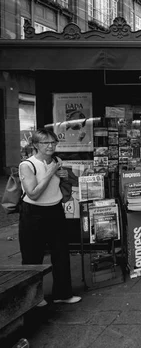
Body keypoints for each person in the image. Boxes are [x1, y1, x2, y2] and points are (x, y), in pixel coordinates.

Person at [19, 128, 81, 306]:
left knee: (61, 253)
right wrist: (50, 172)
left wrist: (61, 176)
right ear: (36, 145)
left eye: (53, 142)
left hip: (55, 210)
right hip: (33, 212)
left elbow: (58, 185)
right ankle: (34, 297)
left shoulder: (57, 161)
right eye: (46, 143)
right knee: (32, 256)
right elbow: (33, 194)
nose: (51, 146)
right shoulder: (27, 165)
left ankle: (63, 293)